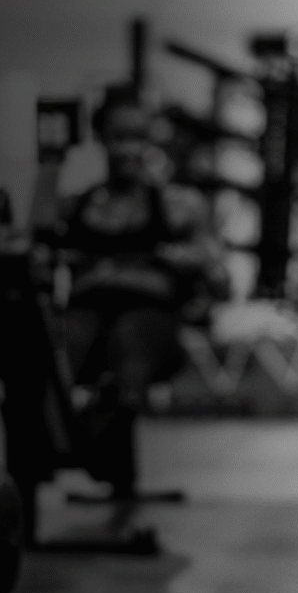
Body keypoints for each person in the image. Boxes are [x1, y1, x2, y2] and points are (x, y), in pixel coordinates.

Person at [54, 88, 227, 502]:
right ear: (102, 139)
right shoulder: (77, 204)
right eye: (118, 136)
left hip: (149, 313)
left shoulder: (178, 204)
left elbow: (218, 275)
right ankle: (57, 446)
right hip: (87, 309)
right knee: (55, 349)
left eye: (139, 137)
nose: (128, 148)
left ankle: (99, 440)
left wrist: (178, 257)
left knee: (129, 347)